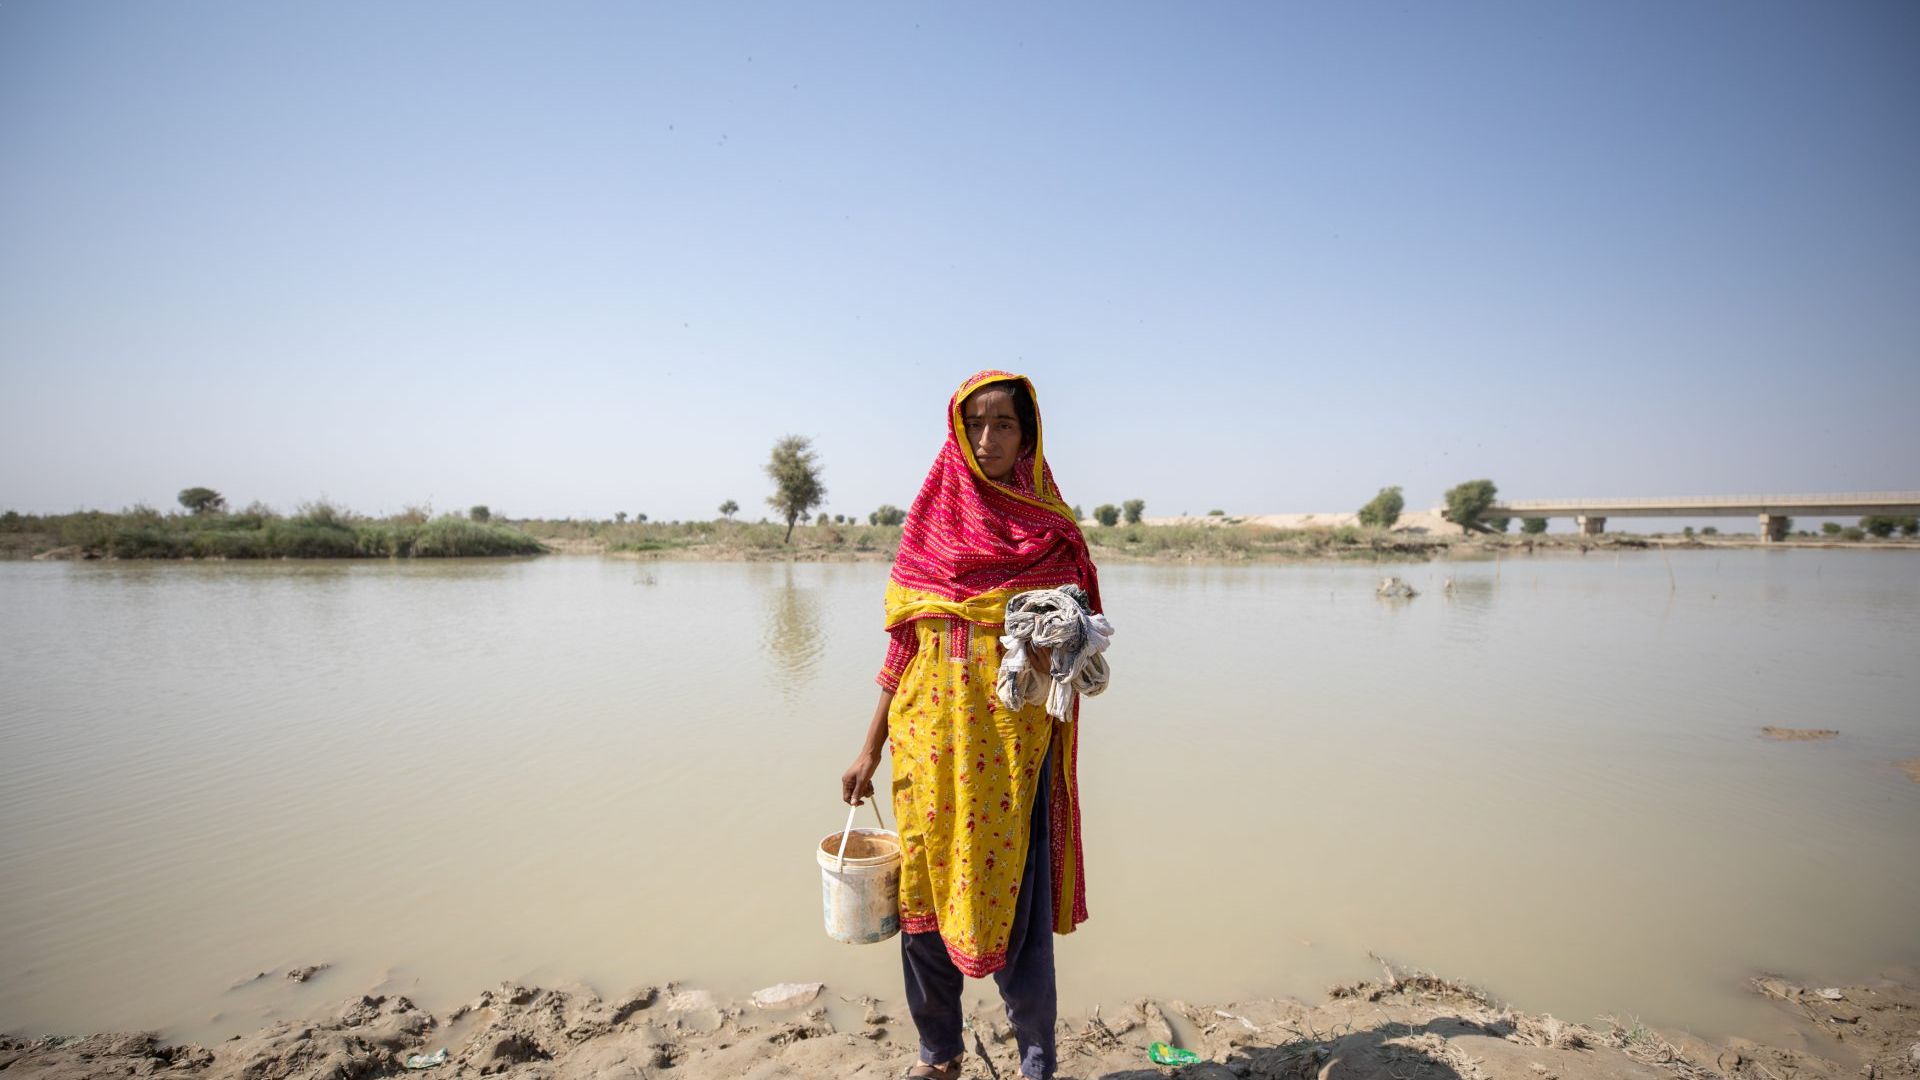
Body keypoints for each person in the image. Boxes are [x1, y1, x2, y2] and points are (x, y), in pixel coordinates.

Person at [841, 370, 1102, 1080]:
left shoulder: (1050, 534)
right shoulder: (929, 526)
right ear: (957, 429)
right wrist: (870, 745)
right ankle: (940, 1054)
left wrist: (1057, 638)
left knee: (1014, 909)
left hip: (1011, 754)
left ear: (1028, 433)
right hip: (925, 748)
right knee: (921, 902)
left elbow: (1075, 651)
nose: (988, 439)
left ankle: (1037, 1062)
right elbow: (904, 645)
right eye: (976, 423)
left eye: (1004, 424)